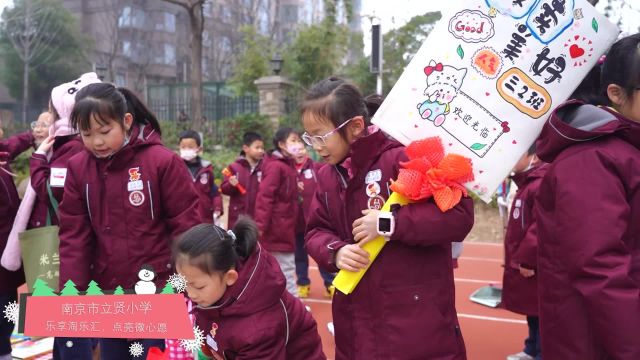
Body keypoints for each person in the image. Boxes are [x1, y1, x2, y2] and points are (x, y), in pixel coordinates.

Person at [302, 77, 473, 359]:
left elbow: (458, 215)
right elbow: (316, 231)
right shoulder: (327, 176)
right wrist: (336, 251)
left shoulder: (402, 158)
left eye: (321, 136)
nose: (315, 146)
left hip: (415, 316)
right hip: (355, 316)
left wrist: (388, 223)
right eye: (310, 137)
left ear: (355, 126)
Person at [58, 83, 201, 359]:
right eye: (87, 134)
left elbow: (186, 226)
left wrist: (191, 283)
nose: (97, 142)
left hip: (159, 288)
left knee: (155, 355)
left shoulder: (161, 162)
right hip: (110, 289)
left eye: (104, 131)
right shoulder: (78, 168)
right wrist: (71, 293)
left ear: (126, 121)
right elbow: (74, 237)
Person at [535, 34, 640, 359]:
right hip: (597, 343)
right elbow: (599, 266)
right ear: (616, 94)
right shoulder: (592, 159)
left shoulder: (626, 151)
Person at [2, 73, 101, 360]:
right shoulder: (71, 144)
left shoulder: (68, 148)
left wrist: (38, 161)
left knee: (71, 325)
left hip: (64, 245)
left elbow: (51, 191)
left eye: (51, 112)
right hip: (68, 245)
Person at [174, 217, 325, 360]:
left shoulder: (259, 328)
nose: (191, 294)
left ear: (230, 278)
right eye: (184, 283)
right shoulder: (212, 294)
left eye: (199, 287)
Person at [502, 144, 546, 360]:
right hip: (523, 259)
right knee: (532, 308)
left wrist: (528, 260)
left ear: (534, 157)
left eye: (518, 155)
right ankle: (531, 348)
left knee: (541, 310)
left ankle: (541, 352)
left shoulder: (540, 185)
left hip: (535, 265)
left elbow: (539, 227)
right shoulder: (526, 184)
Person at [253, 128, 303, 297]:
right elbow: (265, 197)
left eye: (298, 140)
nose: (298, 144)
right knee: (285, 269)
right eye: (293, 140)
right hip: (277, 228)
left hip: (284, 226)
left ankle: (285, 306)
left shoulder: (286, 166)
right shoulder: (276, 167)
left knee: (278, 269)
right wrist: (260, 226)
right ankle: (294, 306)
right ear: (282, 144)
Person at [0, 124, 34, 360]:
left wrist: (34, 135)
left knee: (9, 299)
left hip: (8, 248)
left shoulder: (1, 155)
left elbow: (11, 146)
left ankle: (5, 348)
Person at [292, 144, 335, 298]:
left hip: (314, 221)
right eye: (296, 150)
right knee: (300, 256)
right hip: (296, 223)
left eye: (302, 149)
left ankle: (330, 283)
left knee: (321, 253)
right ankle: (303, 284)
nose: (300, 152)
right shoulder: (288, 171)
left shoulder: (316, 168)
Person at [220, 132, 265, 229]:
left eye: (262, 148)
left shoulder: (265, 168)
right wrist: (231, 185)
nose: (261, 151)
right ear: (245, 148)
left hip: (257, 217)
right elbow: (224, 189)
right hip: (237, 218)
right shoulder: (234, 167)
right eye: (257, 148)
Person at [178, 130, 223, 223]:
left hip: (204, 218)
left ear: (199, 149)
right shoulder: (176, 168)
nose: (186, 150)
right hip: (183, 220)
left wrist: (217, 207)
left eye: (190, 147)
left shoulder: (206, 169)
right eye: (183, 147)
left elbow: (214, 192)